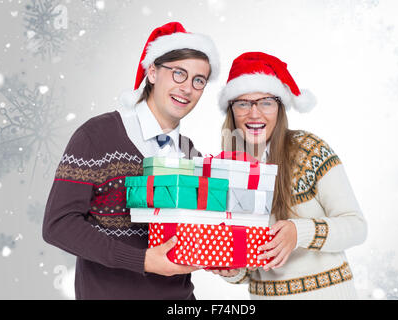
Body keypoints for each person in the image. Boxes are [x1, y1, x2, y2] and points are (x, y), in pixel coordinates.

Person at [42, 22, 220, 300]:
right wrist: (142, 260)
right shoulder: (97, 136)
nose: (187, 88)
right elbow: (59, 225)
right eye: (178, 74)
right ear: (152, 72)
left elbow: (191, 235)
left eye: (198, 80)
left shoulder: (190, 154)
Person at [210, 52, 367, 299]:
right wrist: (231, 270)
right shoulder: (227, 169)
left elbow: (357, 227)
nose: (254, 113)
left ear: (280, 108)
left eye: (266, 102)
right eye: (243, 103)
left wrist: (298, 233)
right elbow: (250, 271)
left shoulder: (309, 151)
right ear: (231, 110)